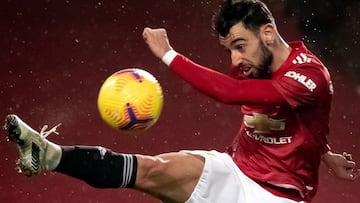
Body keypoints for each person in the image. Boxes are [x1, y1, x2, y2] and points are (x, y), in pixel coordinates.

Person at [4, 0, 359, 203]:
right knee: (152, 169)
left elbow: (231, 94)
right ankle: (49, 154)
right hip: (235, 170)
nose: (235, 61)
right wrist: (322, 150)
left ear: (268, 33)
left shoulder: (309, 75)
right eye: (229, 50)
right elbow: (288, 114)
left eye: (239, 46)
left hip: (279, 197)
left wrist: (169, 54)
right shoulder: (252, 63)